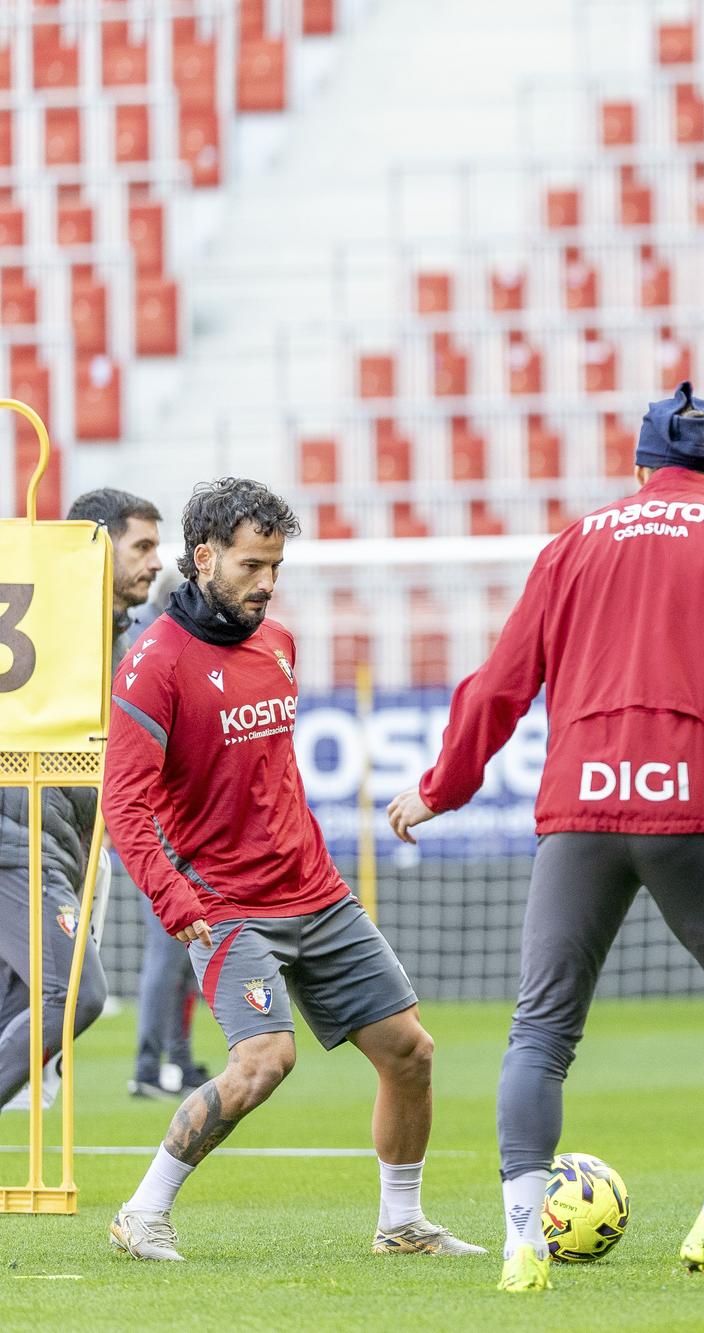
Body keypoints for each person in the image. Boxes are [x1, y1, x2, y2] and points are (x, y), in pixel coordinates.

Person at [386, 385, 704, 1295]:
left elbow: (499, 683)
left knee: (541, 1027)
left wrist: (443, 786)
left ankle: (521, 1244)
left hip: (579, 812)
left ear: (639, 467)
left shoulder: (574, 543)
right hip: (693, 807)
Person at [101, 478, 477, 1263]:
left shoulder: (278, 643)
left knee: (411, 1050)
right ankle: (141, 1211)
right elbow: (124, 803)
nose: (267, 582)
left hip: (317, 891)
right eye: (252, 565)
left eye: (276, 566)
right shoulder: (154, 665)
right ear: (205, 557)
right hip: (225, 903)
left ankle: (402, 1222)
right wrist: (172, 897)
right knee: (265, 1060)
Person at [0, 488, 160, 1113]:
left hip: (61, 848)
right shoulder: (51, 621)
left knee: (22, 1009)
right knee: (73, 996)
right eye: (141, 546)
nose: (155, 562)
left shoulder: (118, 640)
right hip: (21, 843)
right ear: (96, 545)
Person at [126, 567, 209, 1100]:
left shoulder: (164, 652)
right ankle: (145, 1067)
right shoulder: (152, 656)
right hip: (156, 827)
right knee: (166, 950)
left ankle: (176, 1059)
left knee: (182, 952)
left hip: (174, 824)